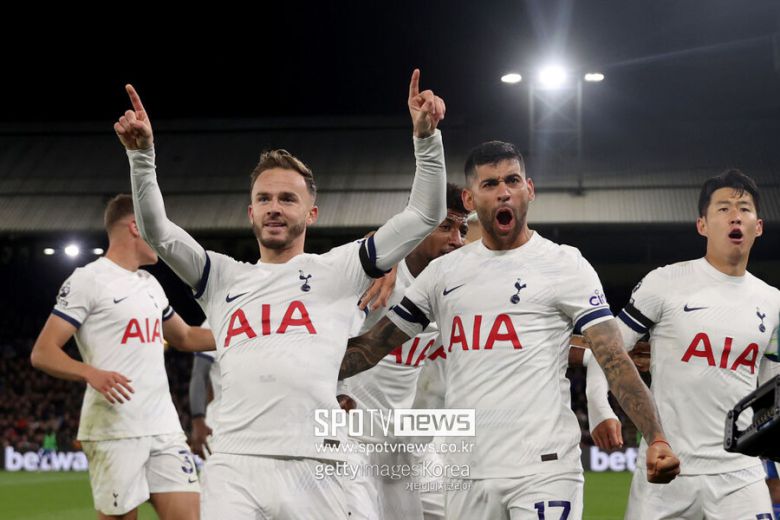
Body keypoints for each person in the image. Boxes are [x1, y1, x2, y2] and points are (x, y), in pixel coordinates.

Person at [114, 70, 447, 519]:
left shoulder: (339, 269)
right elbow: (159, 232)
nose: (274, 207)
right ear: (250, 212)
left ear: (311, 213)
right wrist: (142, 158)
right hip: (234, 465)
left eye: (288, 199)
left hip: (320, 463)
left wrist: (426, 140)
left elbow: (425, 214)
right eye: (265, 199)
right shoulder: (220, 278)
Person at [340, 140, 680, 519]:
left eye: (512, 180)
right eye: (490, 184)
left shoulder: (565, 265)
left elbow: (612, 356)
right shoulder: (442, 275)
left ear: (529, 190)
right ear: (470, 199)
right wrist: (303, 370)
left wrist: (657, 437)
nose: (503, 192)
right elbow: (371, 347)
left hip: (544, 466)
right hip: (466, 470)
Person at [30, 194, 215, 520]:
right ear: (135, 226)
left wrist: (248, 333)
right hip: (115, 430)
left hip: (164, 427)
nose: (162, 236)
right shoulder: (88, 280)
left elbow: (186, 337)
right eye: (155, 226)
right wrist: (90, 373)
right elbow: (43, 352)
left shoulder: (151, 284)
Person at [615, 169, 779, 519]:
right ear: (702, 225)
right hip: (667, 469)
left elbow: (772, 392)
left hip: (741, 474)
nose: (735, 216)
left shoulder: (774, 302)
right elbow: (608, 354)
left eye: (744, 209)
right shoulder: (665, 282)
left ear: (759, 226)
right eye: (723, 208)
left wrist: (777, 467)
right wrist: (601, 411)